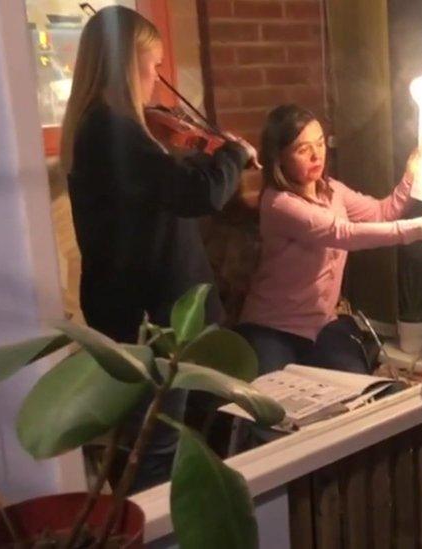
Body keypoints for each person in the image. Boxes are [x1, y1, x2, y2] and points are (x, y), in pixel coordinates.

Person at [60, 6, 258, 489]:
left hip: (156, 314)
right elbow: (197, 194)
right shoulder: (111, 131)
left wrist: (201, 158)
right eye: (151, 65)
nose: (157, 78)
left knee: (186, 431)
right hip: (153, 319)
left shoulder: (110, 129)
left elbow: (162, 187)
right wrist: (232, 154)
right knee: (154, 450)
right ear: (126, 65)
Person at [237, 104, 422, 375]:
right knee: (273, 404)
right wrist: (421, 228)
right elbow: (342, 234)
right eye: (302, 149)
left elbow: (382, 212)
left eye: (319, 143)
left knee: (359, 392)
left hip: (322, 324)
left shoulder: (332, 191)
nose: (316, 155)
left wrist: (412, 174)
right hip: (273, 326)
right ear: (279, 157)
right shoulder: (279, 203)